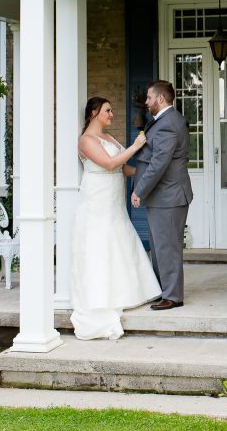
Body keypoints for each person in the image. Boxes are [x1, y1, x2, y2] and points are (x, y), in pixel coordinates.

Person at [70, 97, 160, 340]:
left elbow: (123, 169)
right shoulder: (86, 141)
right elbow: (109, 163)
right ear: (94, 112)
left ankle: (127, 292)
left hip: (113, 199)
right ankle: (103, 296)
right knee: (101, 243)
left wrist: (148, 175)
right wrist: (136, 145)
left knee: (119, 239)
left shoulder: (109, 138)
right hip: (97, 198)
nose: (112, 114)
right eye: (108, 111)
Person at [131, 80, 193, 310]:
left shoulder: (168, 123)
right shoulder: (166, 121)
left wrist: (140, 189)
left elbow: (159, 163)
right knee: (159, 247)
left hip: (169, 196)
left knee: (167, 246)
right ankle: (164, 290)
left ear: (160, 99)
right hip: (163, 196)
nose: (146, 103)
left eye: (148, 98)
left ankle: (173, 296)